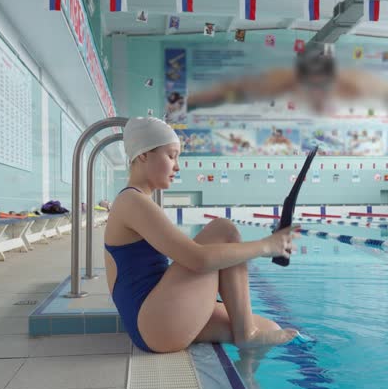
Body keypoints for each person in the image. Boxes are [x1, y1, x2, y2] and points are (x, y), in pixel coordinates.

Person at [104, 117, 300, 353]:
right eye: (171, 155)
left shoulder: (139, 200)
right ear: (144, 155)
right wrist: (267, 246)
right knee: (223, 230)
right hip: (151, 323)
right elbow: (198, 259)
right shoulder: (131, 201)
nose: (177, 166)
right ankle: (246, 334)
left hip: (157, 317)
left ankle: (248, 372)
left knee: (270, 327)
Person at [187, 46, 388, 115]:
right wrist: (191, 102)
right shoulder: (280, 82)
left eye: (322, 85)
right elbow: (230, 90)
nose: (317, 91)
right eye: (312, 85)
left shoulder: (356, 85)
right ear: (300, 82)